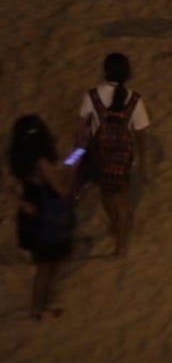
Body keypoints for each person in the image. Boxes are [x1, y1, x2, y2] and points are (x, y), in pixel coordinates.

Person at [78, 52, 150, 257]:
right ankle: (121, 244)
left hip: (100, 156)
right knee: (123, 196)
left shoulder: (91, 95)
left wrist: (76, 156)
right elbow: (140, 134)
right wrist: (142, 161)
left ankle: (115, 227)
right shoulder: (135, 99)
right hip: (123, 157)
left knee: (107, 195)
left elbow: (81, 129)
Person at [8, 115, 77, 320]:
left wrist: (23, 204)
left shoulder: (19, 159)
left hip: (31, 217)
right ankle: (48, 303)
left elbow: (7, 188)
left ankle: (37, 309)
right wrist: (73, 165)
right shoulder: (41, 162)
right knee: (50, 267)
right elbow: (63, 189)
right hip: (48, 218)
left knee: (42, 267)